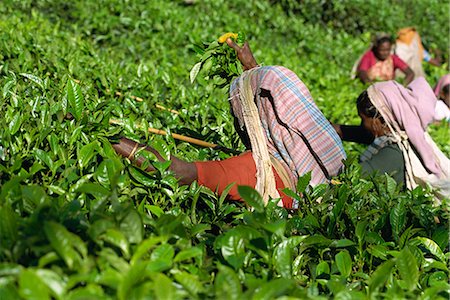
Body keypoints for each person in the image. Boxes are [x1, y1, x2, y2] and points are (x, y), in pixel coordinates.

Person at [112, 39, 347, 209]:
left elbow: (176, 172)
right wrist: (252, 68)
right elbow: (277, 104)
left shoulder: (256, 172)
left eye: (239, 115)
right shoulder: (328, 169)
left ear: (255, 119)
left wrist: (106, 136)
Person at [333, 78, 450, 200]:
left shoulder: (393, 152)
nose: (362, 125)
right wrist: (337, 129)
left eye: (363, 119)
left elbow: (349, 178)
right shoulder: (408, 135)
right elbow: (360, 133)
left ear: (379, 119)